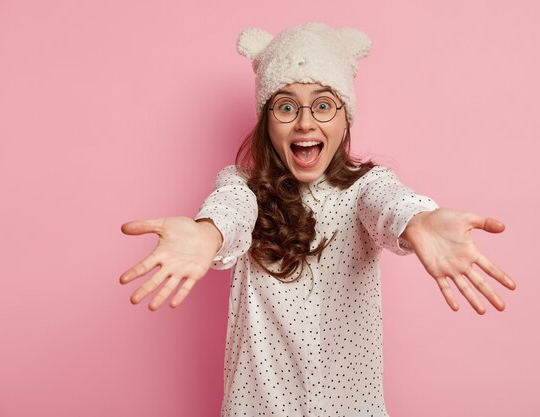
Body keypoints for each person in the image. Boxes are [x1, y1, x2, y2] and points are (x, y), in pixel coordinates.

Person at [119, 22, 516, 417]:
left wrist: (419, 220)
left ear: (346, 119)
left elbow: (390, 205)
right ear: (267, 121)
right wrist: (207, 234)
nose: (305, 123)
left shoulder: (366, 187)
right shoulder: (243, 187)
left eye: (324, 105)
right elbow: (230, 210)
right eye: (287, 106)